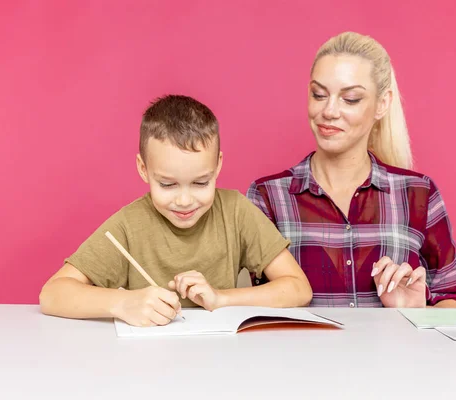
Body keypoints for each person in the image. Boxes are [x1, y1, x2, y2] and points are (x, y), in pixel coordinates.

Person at [247, 32, 456, 308]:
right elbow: (261, 305)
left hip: (398, 352)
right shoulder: (268, 196)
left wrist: (418, 310)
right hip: (300, 352)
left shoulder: (417, 194)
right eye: (319, 94)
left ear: (382, 104)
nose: (329, 111)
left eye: (351, 99)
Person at [40, 94, 312, 326]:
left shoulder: (236, 211)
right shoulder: (128, 225)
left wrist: (222, 298)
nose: (184, 200)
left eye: (201, 182)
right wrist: (122, 303)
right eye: (168, 184)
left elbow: (298, 289)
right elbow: (52, 294)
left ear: (217, 166)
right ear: (143, 169)